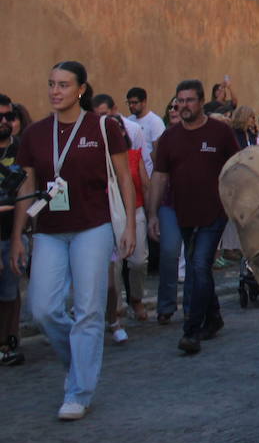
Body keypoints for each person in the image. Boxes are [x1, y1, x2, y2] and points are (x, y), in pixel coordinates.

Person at [9, 61, 136, 419]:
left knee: (88, 310)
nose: (55, 91)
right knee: (43, 308)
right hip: (48, 229)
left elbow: (124, 178)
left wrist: (129, 227)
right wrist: (19, 236)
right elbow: (27, 187)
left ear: (81, 89)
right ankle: (78, 363)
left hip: (93, 227)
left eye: (63, 85)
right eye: (51, 84)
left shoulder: (103, 127)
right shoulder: (35, 134)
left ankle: (78, 391)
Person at [147, 79, 240, 355]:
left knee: (199, 265)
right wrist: (152, 214)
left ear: (201, 102)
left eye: (189, 100)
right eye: (179, 101)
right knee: (197, 266)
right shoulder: (169, 138)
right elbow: (160, 176)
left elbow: (236, 167)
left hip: (214, 211)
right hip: (183, 213)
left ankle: (192, 330)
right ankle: (213, 317)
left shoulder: (220, 133)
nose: (183, 106)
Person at [93, 94, 150, 331]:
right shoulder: (94, 156)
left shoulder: (133, 154)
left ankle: (135, 299)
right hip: (107, 217)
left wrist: (152, 213)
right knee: (113, 268)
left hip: (134, 212)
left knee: (138, 262)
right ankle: (115, 312)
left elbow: (144, 184)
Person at [0, 94, 32, 366]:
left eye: (9, 116)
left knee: (11, 293)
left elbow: (32, 191)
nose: (4, 121)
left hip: (14, 234)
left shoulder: (22, 150)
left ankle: (9, 341)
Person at [124, 87, 164, 180]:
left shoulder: (155, 122)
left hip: (149, 173)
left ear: (144, 102)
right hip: (133, 174)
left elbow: (158, 151)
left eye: (134, 102)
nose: (131, 106)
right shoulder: (128, 121)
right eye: (129, 103)